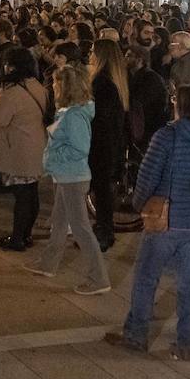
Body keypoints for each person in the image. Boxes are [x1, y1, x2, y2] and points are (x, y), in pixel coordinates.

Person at [107, 85, 190, 361]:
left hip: (165, 219)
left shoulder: (167, 136)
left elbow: (147, 177)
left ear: (180, 107)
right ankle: (186, 343)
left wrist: (140, 206)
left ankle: (136, 335)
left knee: (146, 278)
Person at [27, 66, 111, 295]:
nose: (53, 86)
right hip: (65, 175)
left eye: (56, 83)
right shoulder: (69, 112)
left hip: (72, 176)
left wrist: (53, 157)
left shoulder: (73, 115)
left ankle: (99, 279)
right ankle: (48, 264)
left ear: (66, 87)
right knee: (60, 222)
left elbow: (80, 149)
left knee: (81, 228)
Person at [0, 47, 49, 251]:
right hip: (36, 145)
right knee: (31, 193)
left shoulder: (9, 90)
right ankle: (26, 234)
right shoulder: (38, 86)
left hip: (18, 148)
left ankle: (18, 238)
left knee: (21, 195)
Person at [88, 38, 130, 251]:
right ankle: (104, 229)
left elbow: (100, 117)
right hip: (110, 143)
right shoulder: (115, 81)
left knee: (101, 191)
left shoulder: (102, 83)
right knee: (103, 190)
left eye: (93, 51)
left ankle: (104, 231)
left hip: (100, 144)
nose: (90, 54)